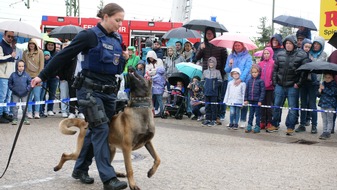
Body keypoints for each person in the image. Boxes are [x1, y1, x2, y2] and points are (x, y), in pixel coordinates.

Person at [31, 3, 128, 190]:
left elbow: (116, 69)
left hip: (109, 93)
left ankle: (80, 169)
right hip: (90, 91)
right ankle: (109, 179)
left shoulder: (117, 39)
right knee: (101, 130)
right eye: (117, 20)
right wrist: (42, 76)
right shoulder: (89, 36)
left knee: (94, 131)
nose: (119, 24)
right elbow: (64, 56)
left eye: (121, 20)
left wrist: (123, 59)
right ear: (105, 16)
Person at [267, 35, 310, 136]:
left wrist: (298, 84)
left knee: (293, 108)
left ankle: (290, 127)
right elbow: (275, 70)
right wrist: (275, 82)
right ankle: (275, 124)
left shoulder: (302, 55)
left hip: (293, 87)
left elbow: (304, 72)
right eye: (286, 43)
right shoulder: (280, 54)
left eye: (290, 43)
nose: (288, 45)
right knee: (276, 106)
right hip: (280, 85)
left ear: (294, 44)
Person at [196, 26, 228, 124]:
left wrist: (221, 72)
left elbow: (225, 59)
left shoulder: (220, 45)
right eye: (207, 33)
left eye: (210, 33)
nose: (209, 35)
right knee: (207, 97)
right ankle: (208, 116)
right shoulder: (203, 45)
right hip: (206, 75)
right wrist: (201, 49)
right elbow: (196, 57)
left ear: (214, 34)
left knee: (217, 97)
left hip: (217, 75)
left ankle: (217, 116)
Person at [296, 36, 327, 134]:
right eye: (315, 44)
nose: (316, 46)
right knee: (303, 104)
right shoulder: (307, 53)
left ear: (322, 45)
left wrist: (309, 61)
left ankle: (314, 125)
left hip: (315, 82)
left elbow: (318, 66)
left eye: (318, 44)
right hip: (304, 81)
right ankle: (302, 124)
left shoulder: (323, 54)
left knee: (312, 105)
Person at [225, 41, 253, 128]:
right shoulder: (231, 56)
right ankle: (232, 120)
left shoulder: (247, 56)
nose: (237, 47)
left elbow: (248, 68)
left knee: (243, 100)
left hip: (244, 81)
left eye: (238, 45)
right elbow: (226, 70)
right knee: (233, 100)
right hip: (232, 82)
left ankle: (243, 120)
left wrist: (241, 79)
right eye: (235, 45)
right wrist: (230, 65)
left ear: (242, 45)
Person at [22, 39, 44, 119]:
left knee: (37, 95)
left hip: (37, 76)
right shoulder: (25, 53)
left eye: (33, 44)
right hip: (28, 77)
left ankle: (37, 112)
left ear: (35, 45)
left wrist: (40, 77)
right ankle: (29, 112)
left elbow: (42, 65)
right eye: (30, 44)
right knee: (29, 96)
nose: (31, 45)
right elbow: (23, 64)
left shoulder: (40, 52)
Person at [201, 57, 222, 127]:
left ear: (215, 63)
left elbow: (220, 81)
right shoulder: (205, 72)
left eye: (212, 62)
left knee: (214, 106)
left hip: (214, 93)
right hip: (207, 92)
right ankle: (207, 119)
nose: (211, 64)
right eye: (210, 62)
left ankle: (213, 119)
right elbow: (202, 80)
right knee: (207, 106)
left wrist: (214, 86)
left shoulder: (217, 72)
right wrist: (204, 86)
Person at [8, 60, 31, 125]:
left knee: (25, 107)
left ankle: (25, 118)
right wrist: (12, 89)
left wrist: (27, 89)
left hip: (25, 94)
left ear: (24, 67)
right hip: (15, 94)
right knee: (15, 107)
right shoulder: (13, 75)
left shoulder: (27, 75)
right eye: (19, 66)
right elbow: (9, 83)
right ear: (16, 67)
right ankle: (15, 118)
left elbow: (30, 83)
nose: (21, 68)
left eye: (22, 66)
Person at [0, 31, 16, 124]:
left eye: (12, 37)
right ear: (4, 35)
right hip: (2, 75)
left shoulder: (10, 46)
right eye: (9, 36)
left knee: (7, 96)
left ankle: (5, 112)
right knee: (2, 96)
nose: (10, 38)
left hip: (10, 75)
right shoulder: (1, 45)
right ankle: (0, 114)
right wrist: (10, 56)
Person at [244, 65, 265, 133]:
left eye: (255, 72)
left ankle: (257, 126)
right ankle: (249, 125)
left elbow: (262, 92)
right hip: (251, 100)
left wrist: (260, 100)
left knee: (257, 114)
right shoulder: (249, 81)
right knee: (250, 114)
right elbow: (246, 91)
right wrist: (246, 99)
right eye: (253, 72)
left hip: (257, 101)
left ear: (258, 72)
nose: (254, 73)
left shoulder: (261, 81)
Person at [258, 47, 275, 130]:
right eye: (264, 53)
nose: (266, 55)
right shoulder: (260, 64)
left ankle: (269, 122)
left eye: (268, 53)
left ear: (271, 54)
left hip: (270, 88)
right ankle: (262, 121)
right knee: (262, 105)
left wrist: (271, 82)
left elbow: (274, 74)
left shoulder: (273, 63)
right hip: (262, 88)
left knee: (269, 106)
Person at [317, 73, 337, 140]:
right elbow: (319, 95)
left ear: (332, 78)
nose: (327, 79)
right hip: (323, 104)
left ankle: (328, 132)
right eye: (325, 77)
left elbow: (333, 93)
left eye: (329, 77)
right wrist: (319, 91)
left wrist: (324, 89)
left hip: (330, 105)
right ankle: (324, 131)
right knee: (324, 119)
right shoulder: (323, 83)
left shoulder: (334, 84)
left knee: (329, 119)